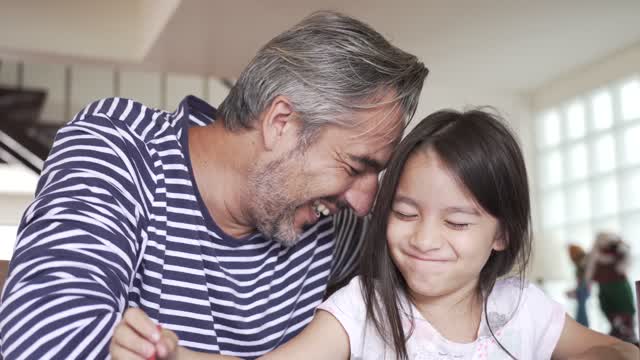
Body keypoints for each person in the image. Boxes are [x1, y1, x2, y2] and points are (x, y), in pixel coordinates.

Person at [0, 11, 428, 359]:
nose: (365, 201)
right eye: (356, 165)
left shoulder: (327, 222)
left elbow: (440, 278)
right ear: (281, 124)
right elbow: (39, 342)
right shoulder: (122, 150)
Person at [585, 232, 638, 345]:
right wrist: (587, 283)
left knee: (623, 309)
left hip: (618, 286)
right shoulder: (596, 253)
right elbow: (590, 268)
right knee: (607, 308)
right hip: (604, 286)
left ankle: (627, 333)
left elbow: (625, 261)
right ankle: (617, 330)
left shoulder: (618, 249)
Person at [567, 244, 591, 327]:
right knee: (581, 309)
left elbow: (585, 279)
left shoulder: (582, 263)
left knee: (581, 310)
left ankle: (583, 327)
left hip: (583, 288)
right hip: (583, 288)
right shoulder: (580, 263)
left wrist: (578, 290)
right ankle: (582, 326)